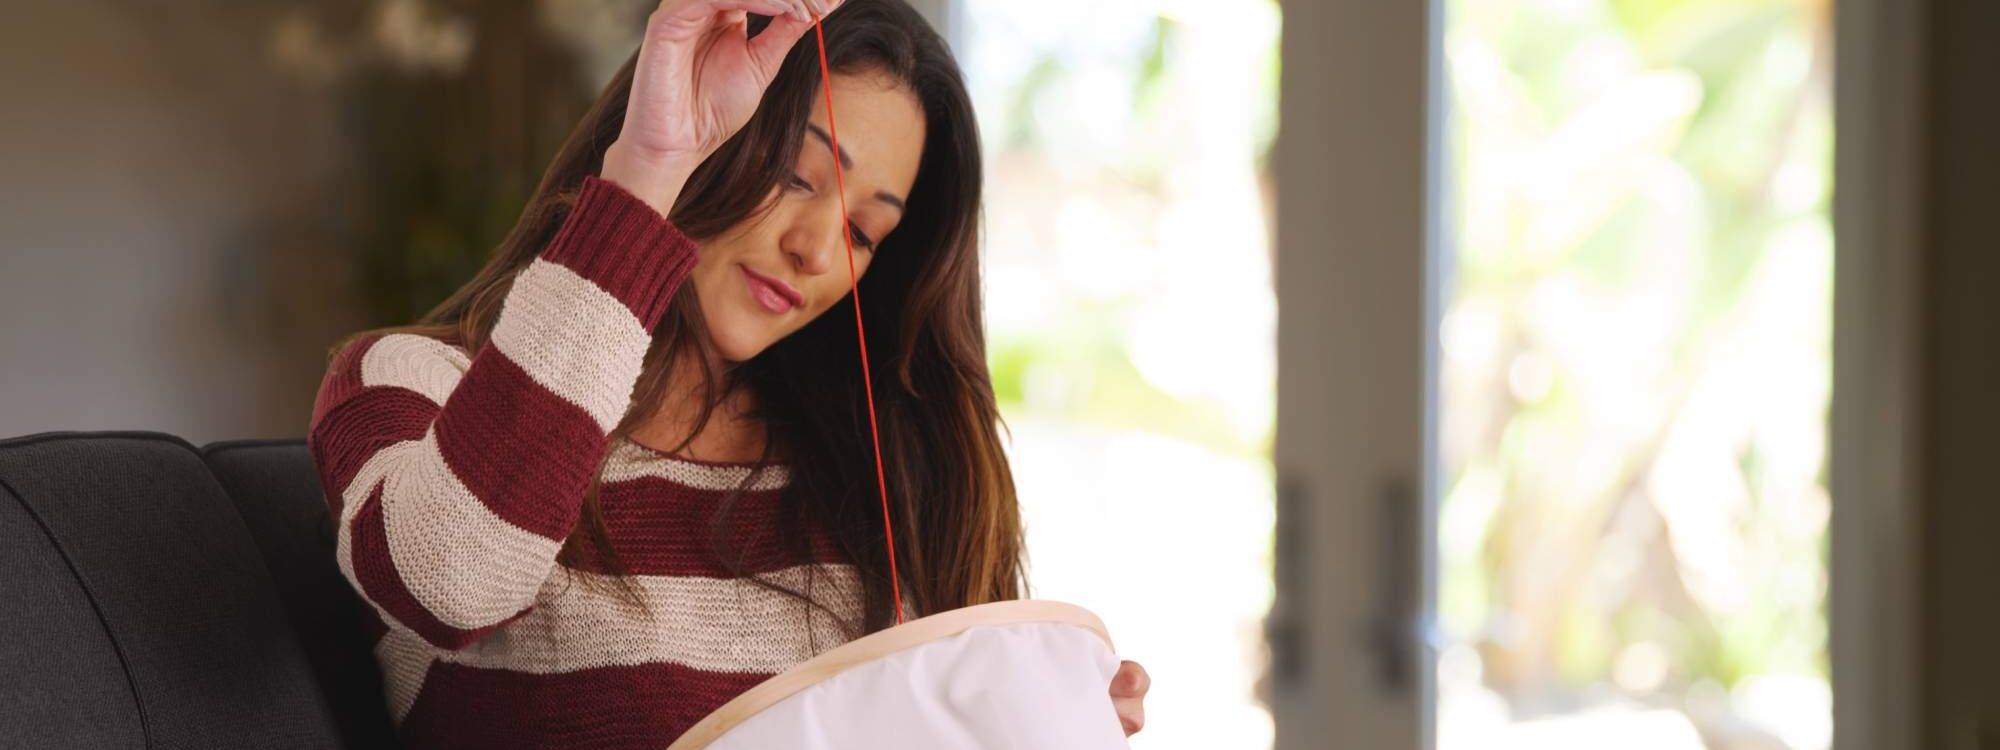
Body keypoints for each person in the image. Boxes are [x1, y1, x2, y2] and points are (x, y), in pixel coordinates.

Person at [305, 0, 1150, 746]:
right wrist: (650, 169)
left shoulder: (858, 467)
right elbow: (450, 586)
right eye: (794, 175)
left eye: (864, 232)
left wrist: (1031, 711)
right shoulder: (412, 382)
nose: (817, 251)